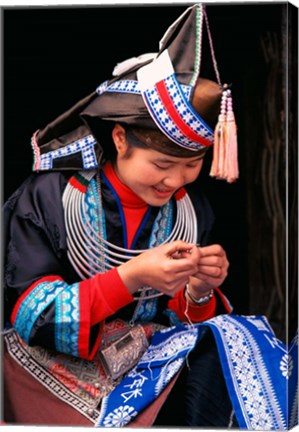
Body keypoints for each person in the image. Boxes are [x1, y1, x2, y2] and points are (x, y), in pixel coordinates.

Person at [2, 3, 295, 429]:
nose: (175, 181)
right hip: (50, 374)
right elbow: (32, 315)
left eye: (192, 166)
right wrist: (131, 277)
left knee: (234, 342)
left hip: (146, 366)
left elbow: (177, 320)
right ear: (120, 139)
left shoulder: (190, 211)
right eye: (161, 165)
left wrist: (198, 289)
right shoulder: (49, 196)